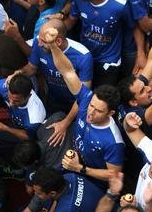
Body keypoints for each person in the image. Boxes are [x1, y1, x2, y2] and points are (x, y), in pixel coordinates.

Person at [43, 30, 124, 188]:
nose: (91, 112)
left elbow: (114, 174)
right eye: (92, 106)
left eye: (98, 111)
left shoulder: (113, 142)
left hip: (92, 181)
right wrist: (53, 46)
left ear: (111, 113)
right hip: (74, 160)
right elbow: (67, 71)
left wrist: (80, 169)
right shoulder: (86, 99)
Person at [65, 0, 129, 87]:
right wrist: (56, 27)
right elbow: (71, 21)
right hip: (85, 57)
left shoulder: (119, 6)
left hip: (108, 62)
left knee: (102, 100)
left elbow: (134, 28)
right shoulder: (79, 0)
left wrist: (140, 54)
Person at [22, 19, 93, 115]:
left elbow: (83, 96)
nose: (39, 44)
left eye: (43, 41)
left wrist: (65, 122)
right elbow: (31, 68)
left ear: (58, 41)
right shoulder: (38, 43)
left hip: (74, 105)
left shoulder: (83, 56)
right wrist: (16, 74)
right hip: (53, 101)